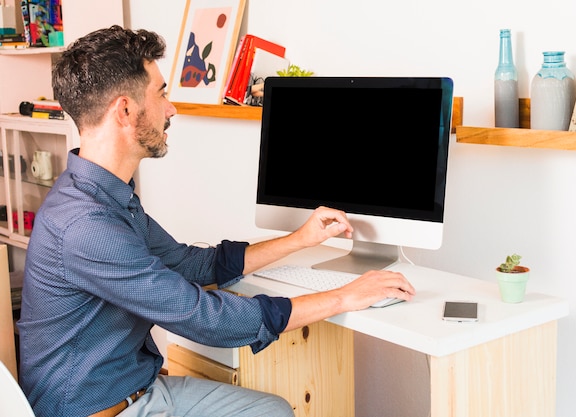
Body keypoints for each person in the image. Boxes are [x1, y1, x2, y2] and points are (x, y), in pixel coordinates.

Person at [17, 25, 415, 417]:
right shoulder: (87, 225)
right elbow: (204, 318)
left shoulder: (105, 195)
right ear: (124, 110)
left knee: (271, 410)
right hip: (101, 409)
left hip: (141, 389)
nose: (170, 108)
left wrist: (299, 239)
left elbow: (191, 265)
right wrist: (344, 296)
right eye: (161, 94)